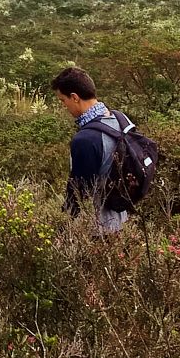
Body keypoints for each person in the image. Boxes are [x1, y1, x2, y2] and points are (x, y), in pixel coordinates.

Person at [51, 66, 131, 235]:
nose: (64, 106)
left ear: (74, 97)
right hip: (122, 221)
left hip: (96, 231)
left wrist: (60, 230)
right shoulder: (120, 119)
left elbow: (79, 192)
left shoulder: (85, 139)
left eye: (62, 100)